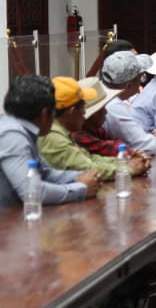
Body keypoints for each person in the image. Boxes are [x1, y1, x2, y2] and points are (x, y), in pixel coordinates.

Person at [0, 74, 100, 209]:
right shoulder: (12, 135)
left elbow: (45, 172)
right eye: (54, 112)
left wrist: (79, 176)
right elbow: (32, 192)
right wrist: (81, 189)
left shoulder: (24, 129)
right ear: (44, 114)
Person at [39, 77, 149, 180]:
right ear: (72, 112)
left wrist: (126, 162)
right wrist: (128, 168)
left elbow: (89, 158)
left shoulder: (61, 132)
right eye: (83, 108)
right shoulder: (53, 138)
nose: (84, 113)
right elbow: (86, 168)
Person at [101, 50, 156, 156]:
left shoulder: (104, 94)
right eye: (140, 78)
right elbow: (147, 146)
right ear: (128, 86)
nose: (141, 82)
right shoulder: (113, 106)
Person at [72, 76, 127, 157]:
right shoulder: (78, 135)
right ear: (93, 114)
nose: (106, 112)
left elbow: (117, 144)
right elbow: (114, 150)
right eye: (102, 108)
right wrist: (109, 143)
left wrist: (110, 143)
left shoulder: (95, 128)